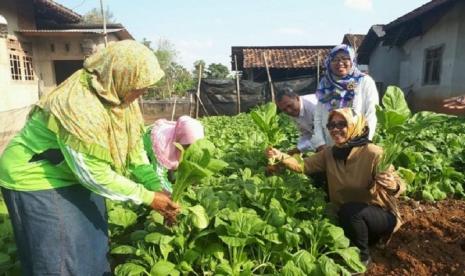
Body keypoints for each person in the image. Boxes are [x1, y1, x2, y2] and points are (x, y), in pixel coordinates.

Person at [0, 40, 180, 275]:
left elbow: (134, 148)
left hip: (73, 174)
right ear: (122, 74)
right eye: (141, 84)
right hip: (37, 179)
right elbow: (93, 173)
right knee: (61, 262)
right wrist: (147, 197)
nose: (144, 91)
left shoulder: (120, 96)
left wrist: (155, 185)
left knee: (93, 249)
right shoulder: (78, 104)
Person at [265, 108, 405, 265]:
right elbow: (303, 166)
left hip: (379, 215)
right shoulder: (330, 153)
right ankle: (359, 239)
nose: (335, 129)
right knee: (332, 203)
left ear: (355, 126)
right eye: (331, 125)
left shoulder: (373, 153)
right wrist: (280, 155)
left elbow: (400, 185)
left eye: (341, 124)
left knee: (351, 211)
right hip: (347, 216)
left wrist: (392, 184)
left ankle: (362, 258)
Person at [313, 44, 379, 151]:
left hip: (357, 141)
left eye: (345, 58)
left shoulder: (364, 81)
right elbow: (318, 116)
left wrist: (365, 140)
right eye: (335, 59)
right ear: (329, 62)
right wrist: (320, 142)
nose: (340, 63)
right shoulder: (325, 84)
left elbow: (372, 113)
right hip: (331, 143)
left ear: (352, 61)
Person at [141, 115, 205, 193]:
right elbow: (158, 176)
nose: (191, 149)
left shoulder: (180, 136)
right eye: (187, 145)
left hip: (169, 139)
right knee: (148, 170)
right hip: (147, 141)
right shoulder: (161, 146)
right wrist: (172, 194)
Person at [276, 87, 318, 154]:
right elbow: (306, 133)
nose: (289, 111)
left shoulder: (314, 107)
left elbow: (324, 135)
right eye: (284, 110)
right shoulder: (294, 111)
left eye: (290, 105)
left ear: (297, 98)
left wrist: (298, 149)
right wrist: (298, 148)